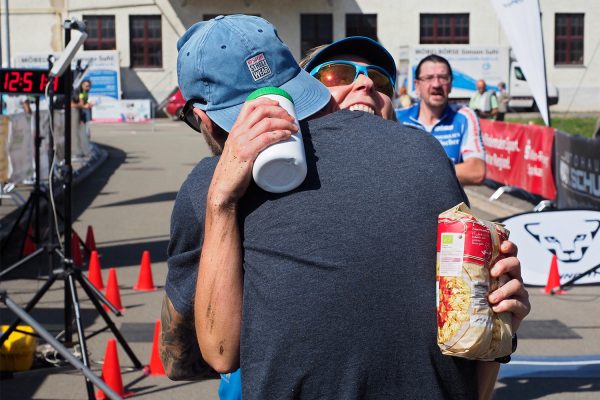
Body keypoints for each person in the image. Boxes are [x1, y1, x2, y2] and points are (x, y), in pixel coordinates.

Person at [162, 18, 530, 399]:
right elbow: (471, 367)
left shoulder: (213, 182)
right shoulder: (428, 155)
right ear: (304, 85)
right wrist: (497, 332)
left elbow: (206, 356)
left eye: (379, 79)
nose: (365, 85)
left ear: (202, 118)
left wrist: (219, 202)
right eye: (339, 74)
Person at [396, 55, 486, 186]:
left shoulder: (464, 116)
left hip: (453, 207)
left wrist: (416, 173)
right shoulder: (397, 117)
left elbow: (477, 172)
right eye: (429, 78)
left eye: (443, 78)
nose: (436, 84)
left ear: (450, 85)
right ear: (417, 85)